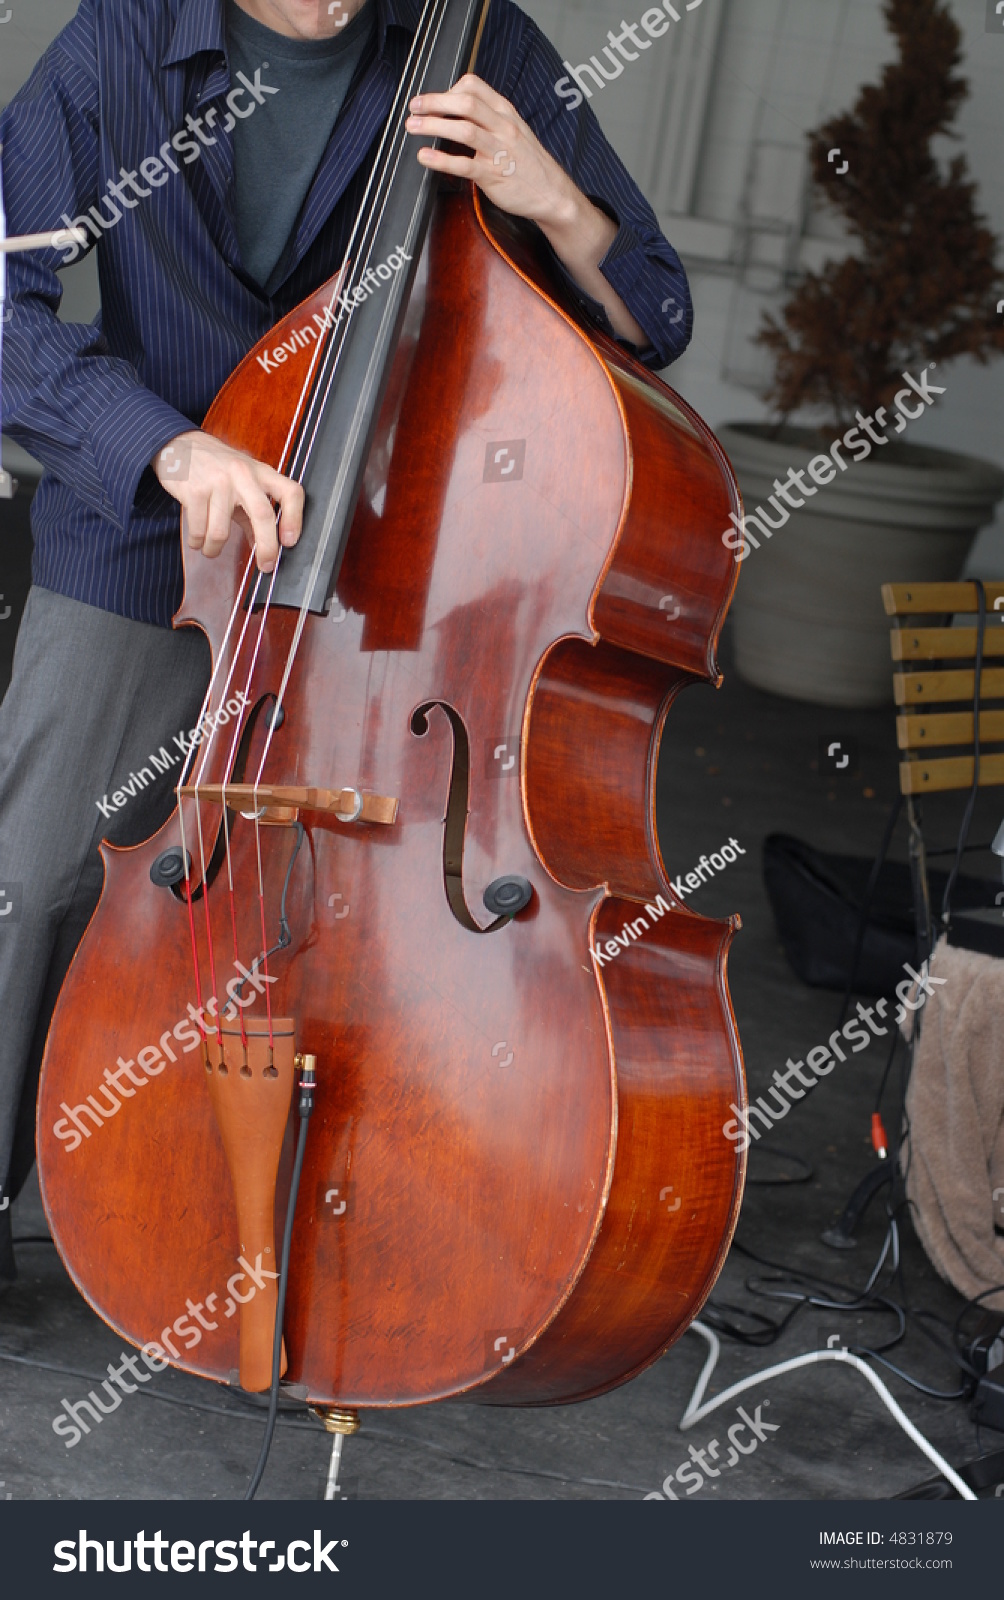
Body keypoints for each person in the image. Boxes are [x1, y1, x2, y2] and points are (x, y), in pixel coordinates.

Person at [0, 0, 692, 1285]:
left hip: (396, 560)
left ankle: (300, 1230)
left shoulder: (483, 39)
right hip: (152, 528)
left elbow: (652, 316)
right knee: (33, 876)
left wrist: (555, 200)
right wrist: (158, 439)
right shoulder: (118, 43)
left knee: (363, 917)